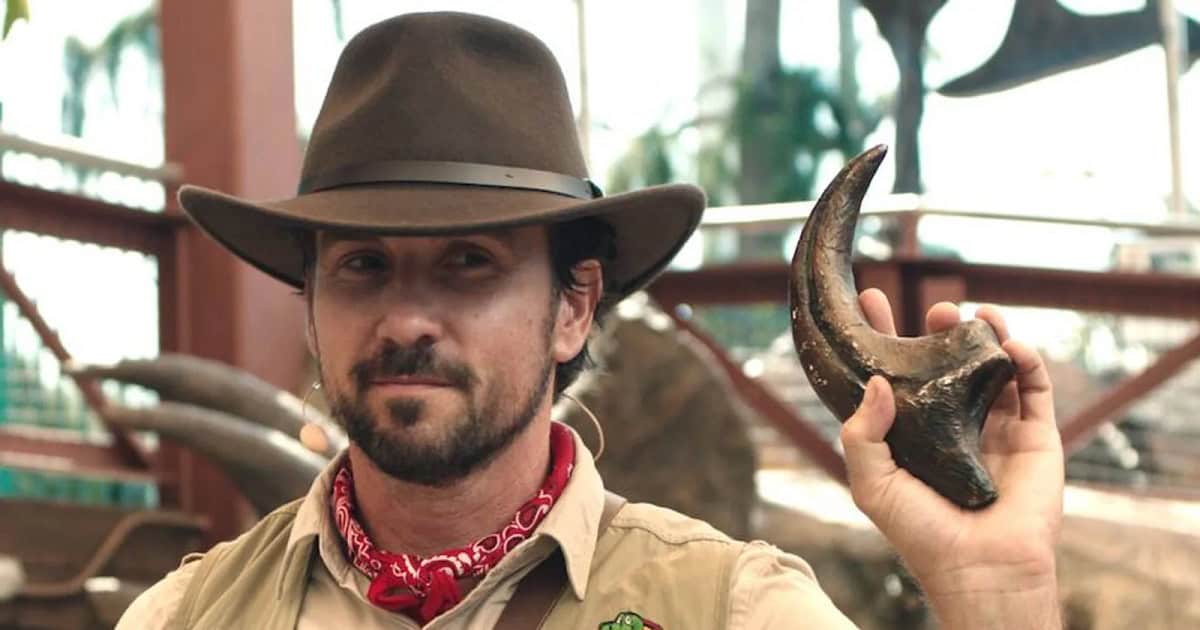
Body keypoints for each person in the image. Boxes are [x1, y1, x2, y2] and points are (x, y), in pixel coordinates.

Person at [117, 11, 1064, 629]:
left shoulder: (733, 610)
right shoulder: (182, 617)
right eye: (362, 267)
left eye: (468, 263)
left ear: (573, 307)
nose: (406, 318)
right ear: (312, 310)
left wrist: (994, 591)